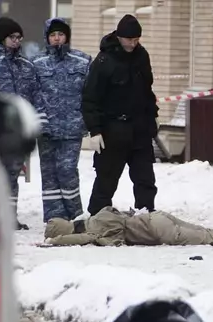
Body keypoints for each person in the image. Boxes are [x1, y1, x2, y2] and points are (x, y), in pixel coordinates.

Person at [82, 14, 159, 216]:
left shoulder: (142, 56)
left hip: (140, 129)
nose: (133, 44)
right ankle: (98, 218)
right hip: (112, 130)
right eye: (129, 40)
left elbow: (147, 92)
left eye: (136, 40)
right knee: (106, 180)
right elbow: (90, 98)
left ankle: (146, 216)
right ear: (119, 37)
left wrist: (152, 121)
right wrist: (95, 130)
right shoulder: (104, 61)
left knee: (145, 179)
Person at [0, 16, 47, 230]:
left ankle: (10, 218)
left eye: (19, 37)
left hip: (16, 131)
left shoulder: (26, 66)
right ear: (2, 39)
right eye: (12, 37)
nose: (17, 41)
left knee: (12, 176)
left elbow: (36, 94)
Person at [31, 18, 91, 223]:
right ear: (47, 38)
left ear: (67, 36)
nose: (57, 39)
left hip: (72, 127)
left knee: (67, 171)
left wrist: (87, 120)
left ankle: (75, 214)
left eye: (61, 34)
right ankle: (55, 218)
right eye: (53, 35)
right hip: (46, 128)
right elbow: (34, 94)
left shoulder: (82, 61)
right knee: (49, 174)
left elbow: (90, 94)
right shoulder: (36, 63)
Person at [43, 206, 213, 247]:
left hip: (158, 231)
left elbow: (108, 241)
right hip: (156, 218)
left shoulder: (95, 228)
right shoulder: (98, 215)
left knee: (210, 238)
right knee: (209, 232)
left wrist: (55, 242)